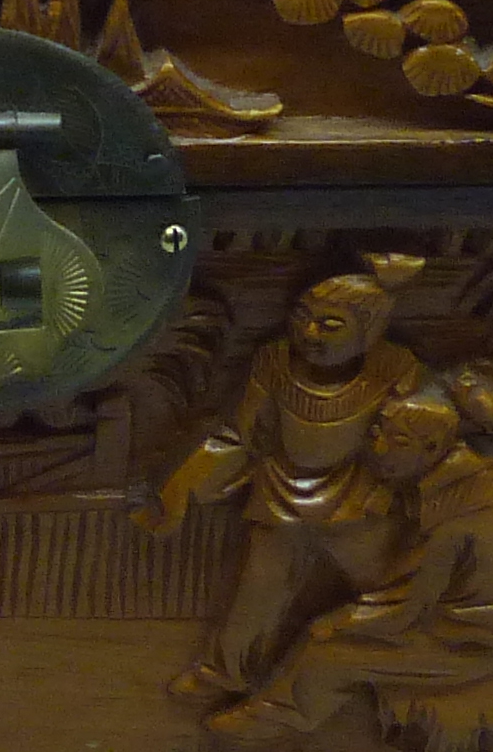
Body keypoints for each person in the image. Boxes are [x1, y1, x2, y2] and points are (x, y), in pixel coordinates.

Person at [137, 260, 426, 703]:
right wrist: (180, 489)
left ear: (369, 331)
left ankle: (407, 670)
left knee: (388, 588)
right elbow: (243, 436)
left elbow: (419, 434)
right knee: (257, 592)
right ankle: (224, 674)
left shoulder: (393, 368)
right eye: (301, 319)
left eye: (330, 325)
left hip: (359, 495)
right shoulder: (273, 362)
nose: (310, 334)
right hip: (280, 491)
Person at [208, 374, 493, 739]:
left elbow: (408, 606)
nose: (378, 448)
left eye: (397, 441)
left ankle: (273, 721)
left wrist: (341, 620)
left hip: (467, 640)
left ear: (431, 448)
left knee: (326, 655)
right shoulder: (453, 478)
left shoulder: (460, 509)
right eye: (378, 433)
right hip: (445, 615)